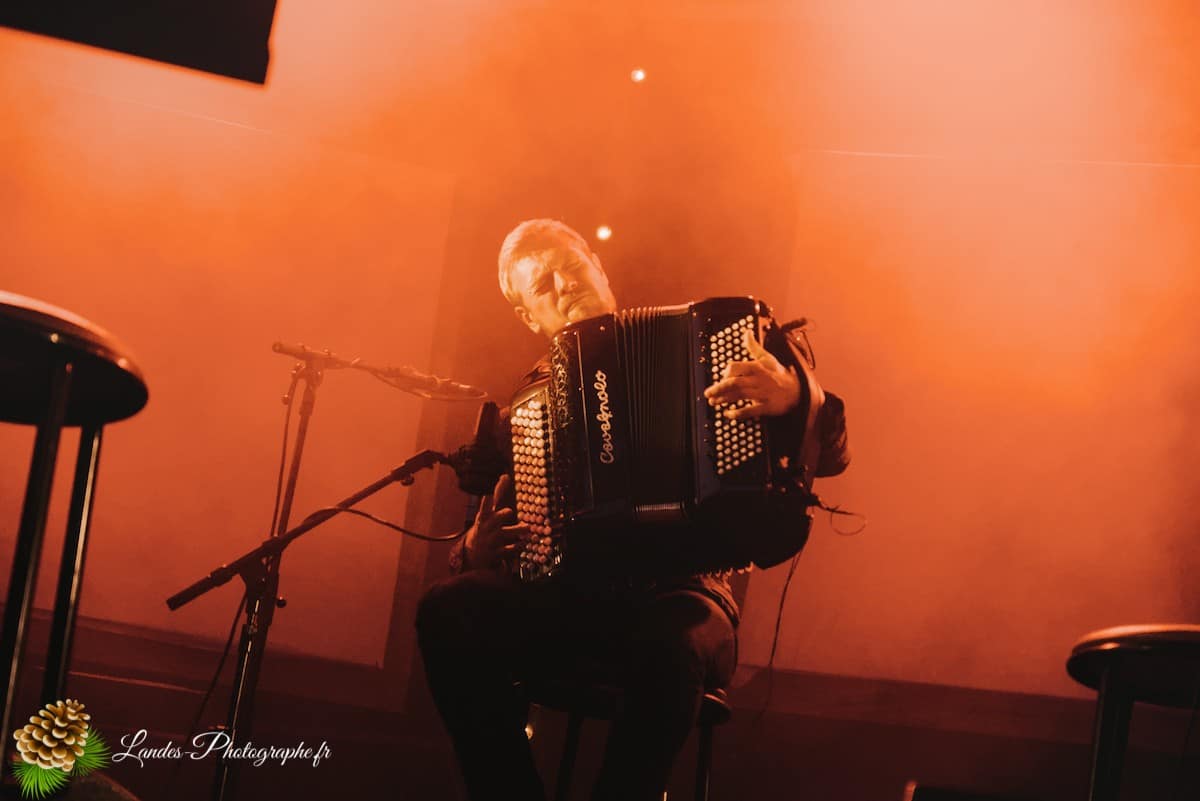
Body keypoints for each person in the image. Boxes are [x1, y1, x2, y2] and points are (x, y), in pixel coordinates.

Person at [415, 219, 849, 801]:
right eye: (542, 285)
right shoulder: (529, 402)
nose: (564, 285)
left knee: (669, 643)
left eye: (571, 267)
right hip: (574, 601)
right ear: (528, 316)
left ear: (599, 268)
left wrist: (797, 399)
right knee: (448, 609)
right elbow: (488, 525)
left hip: (687, 594)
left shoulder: (706, 343)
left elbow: (836, 455)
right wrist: (472, 551)